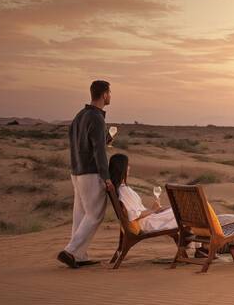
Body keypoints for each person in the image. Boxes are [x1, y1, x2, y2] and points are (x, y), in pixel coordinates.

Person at [57, 80, 113, 269]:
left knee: (81, 214)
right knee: (95, 214)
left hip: (77, 172)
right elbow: (99, 151)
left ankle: (79, 256)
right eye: (109, 93)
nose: (110, 96)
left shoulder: (80, 115)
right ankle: (71, 251)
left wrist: (106, 139)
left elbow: (80, 143)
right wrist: (106, 176)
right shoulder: (96, 118)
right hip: (90, 172)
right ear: (104, 94)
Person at [108, 154, 176, 233]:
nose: (129, 167)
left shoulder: (122, 189)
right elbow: (134, 215)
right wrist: (153, 210)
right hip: (146, 223)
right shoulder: (123, 191)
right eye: (127, 165)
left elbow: (137, 211)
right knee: (179, 214)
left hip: (148, 219)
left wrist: (155, 210)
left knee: (175, 210)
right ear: (121, 168)